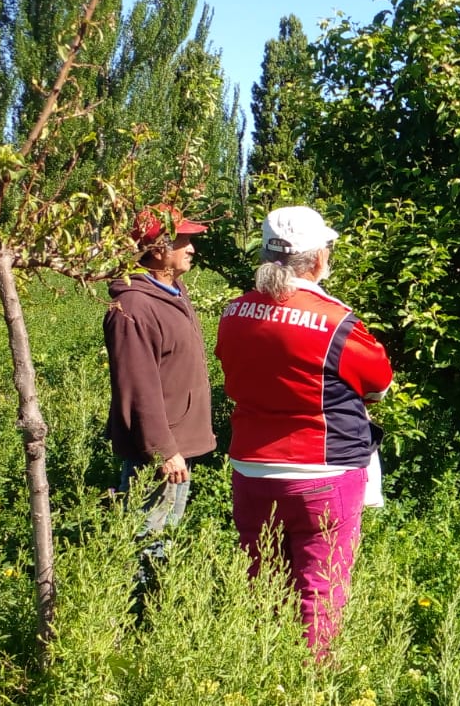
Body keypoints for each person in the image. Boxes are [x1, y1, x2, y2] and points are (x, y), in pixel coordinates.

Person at [215, 205, 393, 655]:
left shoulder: (234, 312)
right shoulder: (336, 320)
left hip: (251, 468)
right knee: (321, 588)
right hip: (324, 469)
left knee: (263, 584)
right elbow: (379, 384)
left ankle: (263, 670)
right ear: (317, 259)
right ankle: (312, 681)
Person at [103, 203, 216, 582]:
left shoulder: (172, 290)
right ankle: (134, 609)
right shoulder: (133, 305)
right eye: (183, 241)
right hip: (159, 451)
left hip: (177, 441)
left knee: (164, 535)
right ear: (157, 249)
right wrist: (163, 450)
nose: (192, 248)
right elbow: (137, 385)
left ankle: (152, 604)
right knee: (148, 539)